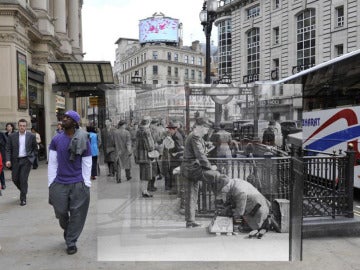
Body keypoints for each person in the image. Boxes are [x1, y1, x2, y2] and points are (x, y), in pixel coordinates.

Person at [48, 110, 92, 255]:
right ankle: (68, 230)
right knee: (61, 212)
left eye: (67, 118)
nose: (63, 119)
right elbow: (52, 163)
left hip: (78, 182)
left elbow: (87, 162)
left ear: (74, 122)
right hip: (59, 182)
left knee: (77, 214)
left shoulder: (83, 139)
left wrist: (86, 183)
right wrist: (51, 183)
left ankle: (71, 241)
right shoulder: (56, 139)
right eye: (64, 117)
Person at [203, 170, 280, 238]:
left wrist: (230, 218)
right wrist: (225, 207)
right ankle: (263, 222)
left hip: (258, 210)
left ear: (226, 186)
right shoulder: (233, 182)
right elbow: (231, 201)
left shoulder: (239, 191)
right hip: (254, 205)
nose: (222, 193)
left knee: (244, 226)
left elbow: (239, 211)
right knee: (232, 212)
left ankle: (266, 222)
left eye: (222, 191)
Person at [180, 117, 214, 228]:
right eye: (206, 128)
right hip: (191, 168)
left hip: (190, 167)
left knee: (192, 194)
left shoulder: (195, 135)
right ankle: (190, 221)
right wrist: (209, 167)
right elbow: (200, 154)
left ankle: (190, 220)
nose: (207, 131)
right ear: (200, 127)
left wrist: (206, 145)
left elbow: (200, 150)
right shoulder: (195, 136)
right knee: (192, 194)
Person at [5, 119, 37, 206]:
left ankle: (23, 198)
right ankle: (24, 190)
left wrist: (32, 158)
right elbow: (8, 149)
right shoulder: (12, 136)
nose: (22, 127)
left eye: (24, 126)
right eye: (20, 126)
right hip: (15, 161)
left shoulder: (31, 136)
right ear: (18, 126)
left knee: (23, 179)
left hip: (26, 160)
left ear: (26, 127)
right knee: (15, 179)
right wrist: (8, 160)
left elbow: (35, 149)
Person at [135, 116, 155, 198]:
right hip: (146, 156)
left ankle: (144, 190)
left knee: (142, 174)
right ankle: (145, 191)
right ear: (148, 123)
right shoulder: (147, 131)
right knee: (147, 174)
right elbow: (150, 145)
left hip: (140, 156)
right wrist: (153, 149)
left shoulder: (138, 131)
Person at [164, 121, 184, 195]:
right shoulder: (175, 135)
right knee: (173, 172)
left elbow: (178, 148)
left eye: (170, 129)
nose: (169, 131)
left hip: (176, 157)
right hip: (174, 157)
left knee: (174, 173)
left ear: (174, 129)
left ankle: (175, 189)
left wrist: (170, 147)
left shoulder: (176, 136)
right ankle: (175, 188)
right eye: (169, 129)